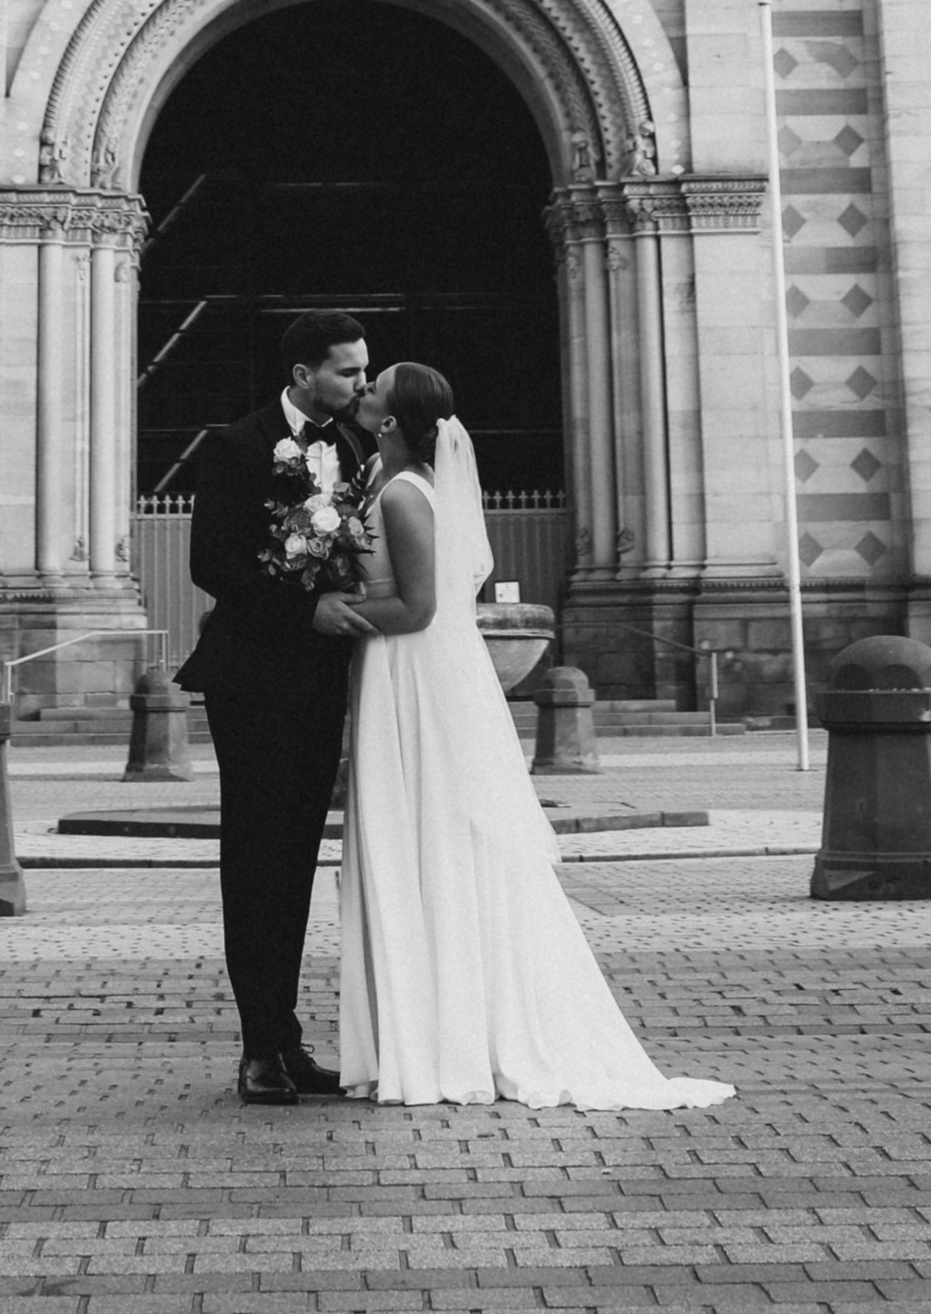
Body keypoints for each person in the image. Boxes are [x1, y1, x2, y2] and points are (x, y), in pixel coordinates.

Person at [327, 361, 734, 1111]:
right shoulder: (393, 486)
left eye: (377, 383)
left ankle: (445, 1043)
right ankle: (426, 1032)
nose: (365, 386)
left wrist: (328, 609)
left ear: (391, 418)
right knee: (418, 838)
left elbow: (417, 609)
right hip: (398, 676)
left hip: (408, 673)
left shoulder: (404, 494)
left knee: (428, 839)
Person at [174, 310, 373, 1105]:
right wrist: (304, 612)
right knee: (255, 860)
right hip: (251, 680)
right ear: (303, 375)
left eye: (363, 371)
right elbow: (212, 563)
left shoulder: (352, 448)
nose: (362, 383)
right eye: (349, 372)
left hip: (319, 681)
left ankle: (288, 1041)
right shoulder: (238, 446)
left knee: (295, 862)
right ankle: (259, 1048)